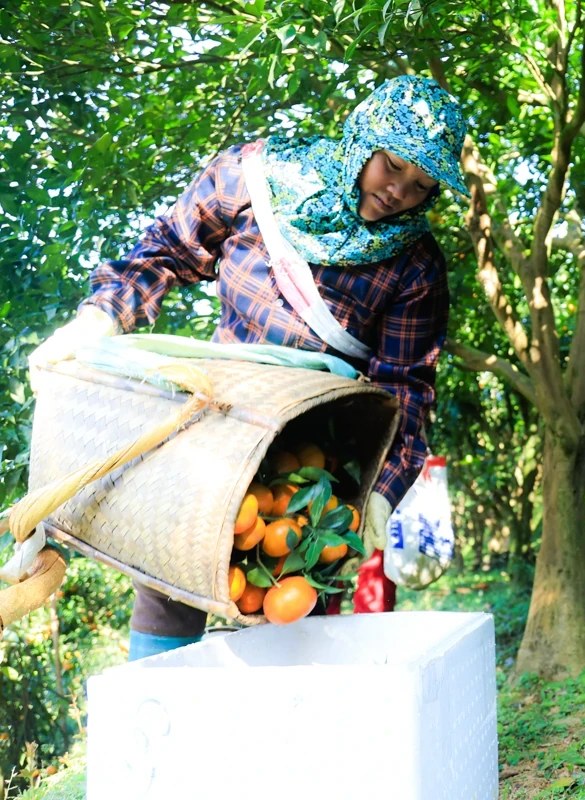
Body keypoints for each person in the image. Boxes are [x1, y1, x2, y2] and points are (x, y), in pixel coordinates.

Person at [27, 75, 467, 660]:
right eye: (392, 165)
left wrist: (377, 496)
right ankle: (157, 737)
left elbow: (405, 392)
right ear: (362, 139)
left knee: (280, 637)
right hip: (215, 431)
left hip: (312, 473)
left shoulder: (415, 266)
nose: (398, 193)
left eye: (421, 186)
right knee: (168, 599)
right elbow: (164, 252)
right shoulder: (252, 180)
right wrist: (99, 320)